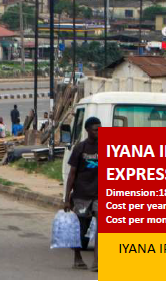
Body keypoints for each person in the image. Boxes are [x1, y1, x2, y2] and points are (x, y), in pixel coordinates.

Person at [65, 116, 100, 272]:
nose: (99, 132)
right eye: (95, 129)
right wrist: (67, 199)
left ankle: (97, 262)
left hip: (99, 195)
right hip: (81, 195)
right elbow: (72, 174)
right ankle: (77, 258)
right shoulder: (80, 148)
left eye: (100, 128)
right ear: (87, 130)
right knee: (80, 228)